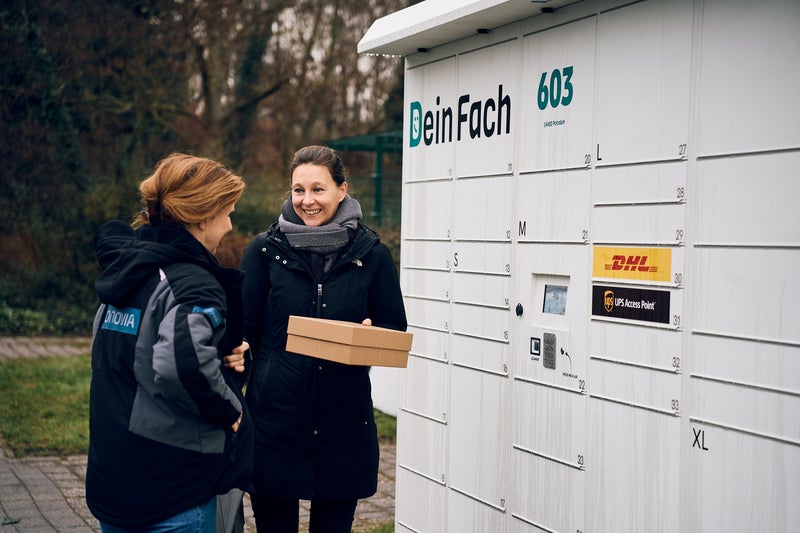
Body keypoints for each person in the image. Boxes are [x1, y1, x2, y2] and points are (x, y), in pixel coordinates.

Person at [240, 145, 407, 532]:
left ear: (342, 189)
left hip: (343, 422)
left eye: (318, 189)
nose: (307, 200)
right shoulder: (263, 252)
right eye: (298, 190)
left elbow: (394, 327)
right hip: (275, 422)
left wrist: (371, 336)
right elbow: (245, 334)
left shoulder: (372, 254)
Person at [86, 153, 254, 532]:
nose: (230, 225)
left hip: (115, 480)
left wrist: (221, 356)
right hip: (174, 490)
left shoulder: (130, 271)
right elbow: (183, 365)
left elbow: (139, 356)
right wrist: (231, 412)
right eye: (227, 213)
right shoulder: (193, 282)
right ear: (202, 217)